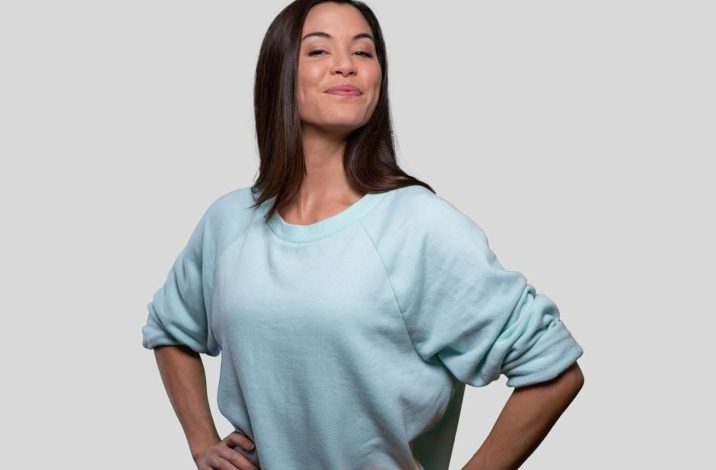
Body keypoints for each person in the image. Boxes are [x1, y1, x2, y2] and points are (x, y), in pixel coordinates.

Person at [141, 1, 585, 469]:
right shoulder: (228, 221)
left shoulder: (418, 225)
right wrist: (201, 442)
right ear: (279, 74)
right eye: (318, 51)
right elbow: (170, 328)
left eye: (363, 51)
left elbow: (553, 368)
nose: (345, 65)